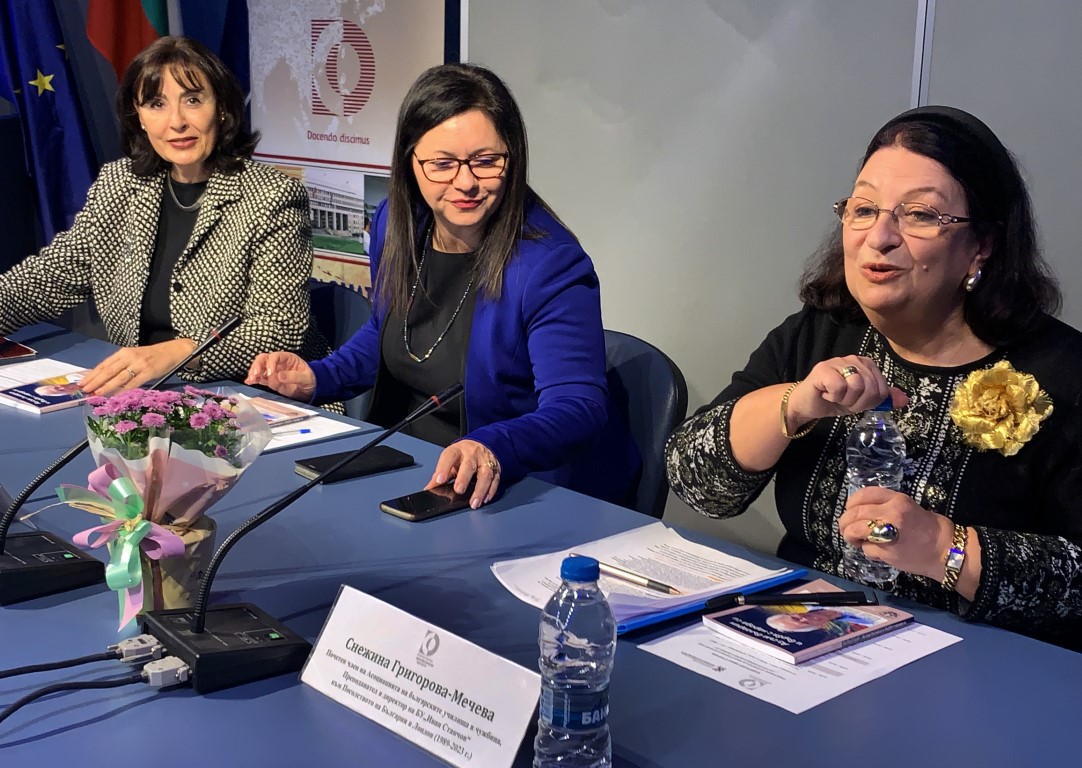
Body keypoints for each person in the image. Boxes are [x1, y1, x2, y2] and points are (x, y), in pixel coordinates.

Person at [666, 105, 1082, 650]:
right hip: (805, 632)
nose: (879, 236)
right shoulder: (822, 332)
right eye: (864, 209)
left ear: (981, 245)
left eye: (921, 215)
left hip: (983, 658)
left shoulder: (1062, 373)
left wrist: (943, 547)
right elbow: (697, 485)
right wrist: (795, 403)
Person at [247, 63, 639, 510]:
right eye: (442, 164)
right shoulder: (396, 223)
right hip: (397, 460)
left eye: (486, 161)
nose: (466, 182)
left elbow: (578, 407)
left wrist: (493, 446)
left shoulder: (550, 264)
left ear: (512, 158)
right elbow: (391, 333)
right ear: (410, 162)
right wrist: (319, 377)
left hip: (496, 487)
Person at [0, 36, 324, 395]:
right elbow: (48, 277)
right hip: (145, 396)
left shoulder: (272, 196)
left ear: (221, 109)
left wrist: (183, 351)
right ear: (138, 116)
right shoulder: (120, 184)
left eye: (193, 100)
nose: (176, 122)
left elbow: (279, 329)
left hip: (248, 396)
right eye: (156, 104)